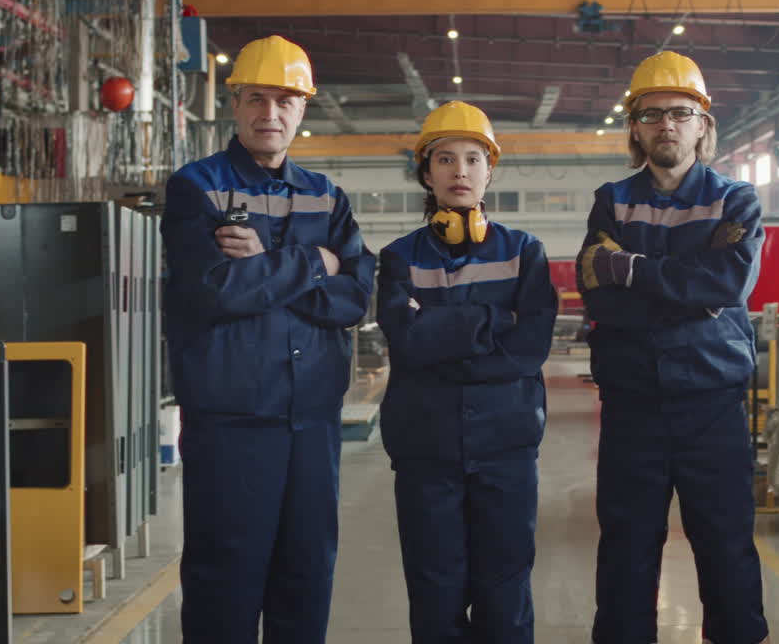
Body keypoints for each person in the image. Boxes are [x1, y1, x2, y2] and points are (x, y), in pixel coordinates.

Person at [161, 34, 375, 644]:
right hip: (231, 422)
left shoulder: (326, 195)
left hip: (311, 421)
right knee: (224, 577)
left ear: (303, 109)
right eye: (257, 98)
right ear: (235, 104)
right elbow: (219, 291)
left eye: (285, 100)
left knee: (305, 575)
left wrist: (269, 264)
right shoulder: (196, 187)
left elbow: (356, 298)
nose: (270, 114)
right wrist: (316, 262)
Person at [578, 51, 770, 644]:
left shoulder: (735, 200)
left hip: (711, 400)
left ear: (702, 125)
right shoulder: (611, 200)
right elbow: (600, 297)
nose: (667, 125)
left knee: (725, 539)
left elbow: (726, 284)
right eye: (652, 114)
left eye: (681, 113)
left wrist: (630, 268)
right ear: (635, 126)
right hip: (634, 400)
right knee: (627, 542)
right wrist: (684, 286)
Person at [376, 101, 558, 644]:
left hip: (506, 446)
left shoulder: (525, 251)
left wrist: (440, 331)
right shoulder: (397, 257)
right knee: (435, 587)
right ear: (426, 174)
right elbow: (406, 343)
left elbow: (530, 347)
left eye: (474, 159)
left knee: (506, 584)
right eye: (446, 159)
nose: (460, 171)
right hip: (424, 449)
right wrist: (493, 320)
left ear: (489, 171)